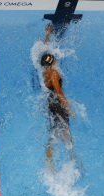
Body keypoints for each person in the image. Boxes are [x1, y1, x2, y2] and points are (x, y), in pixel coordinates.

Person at [42, 23, 76, 171]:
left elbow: (46, 51)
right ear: (53, 60)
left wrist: (48, 34)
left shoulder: (45, 71)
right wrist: (69, 108)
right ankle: (71, 158)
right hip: (57, 103)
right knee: (64, 131)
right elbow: (59, 92)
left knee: (54, 131)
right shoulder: (54, 74)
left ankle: (49, 159)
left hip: (50, 102)